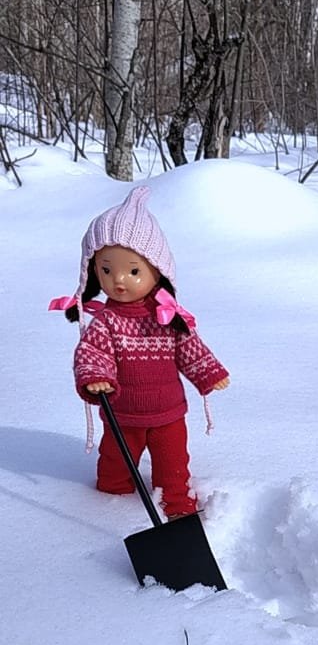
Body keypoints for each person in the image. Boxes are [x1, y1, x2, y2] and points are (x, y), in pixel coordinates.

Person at [49, 185, 230, 518]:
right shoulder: (107, 321)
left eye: (133, 271)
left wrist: (210, 372)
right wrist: (95, 378)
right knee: (114, 471)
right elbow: (91, 353)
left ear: (157, 270)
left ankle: (179, 508)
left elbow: (189, 346)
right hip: (122, 416)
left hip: (168, 414)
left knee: (173, 469)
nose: (119, 280)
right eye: (106, 269)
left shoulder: (167, 316)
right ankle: (109, 505)